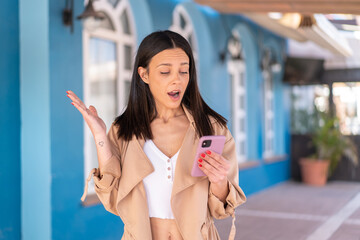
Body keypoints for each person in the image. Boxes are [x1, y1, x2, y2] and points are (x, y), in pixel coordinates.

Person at [67, 30, 246, 240]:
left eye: (183, 71)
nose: (176, 80)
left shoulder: (212, 128)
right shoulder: (124, 130)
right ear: (144, 75)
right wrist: (99, 135)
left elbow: (221, 209)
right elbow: (112, 198)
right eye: (165, 72)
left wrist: (219, 181)